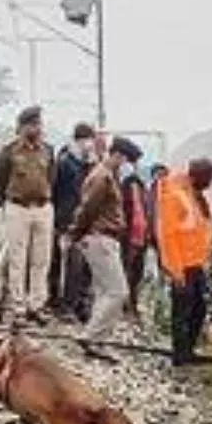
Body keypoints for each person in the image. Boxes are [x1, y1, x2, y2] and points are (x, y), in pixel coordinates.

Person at [68, 136, 144, 361]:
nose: (127, 166)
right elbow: (87, 209)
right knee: (118, 292)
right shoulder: (102, 177)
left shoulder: (107, 175)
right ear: (117, 155)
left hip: (102, 238)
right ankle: (91, 336)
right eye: (126, 160)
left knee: (104, 293)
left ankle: (98, 341)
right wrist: (75, 233)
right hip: (100, 238)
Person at [0, 106, 56, 325]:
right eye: (32, 124)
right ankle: (18, 305)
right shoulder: (9, 151)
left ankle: (36, 304)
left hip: (43, 208)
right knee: (18, 259)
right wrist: (8, 204)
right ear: (21, 127)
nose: (37, 129)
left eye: (39, 124)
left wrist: (45, 198)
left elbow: (52, 178)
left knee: (41, 259)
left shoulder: (48, 150)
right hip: (18, 207)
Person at [153, 157, 212, 365]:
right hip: (182, 265)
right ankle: (180, 355)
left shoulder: (193, 194)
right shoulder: (175, 195)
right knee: (182, 312)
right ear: (199, 176)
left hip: (196, 263)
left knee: (199, 308)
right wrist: (176, 270)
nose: (210, 184)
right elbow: (168, 236)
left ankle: (188, 350)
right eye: (209, 179)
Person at [53, 123, 98, 319]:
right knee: (73, 264)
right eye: (87, 140)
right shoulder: (65, 163)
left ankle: (82, 305)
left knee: (87, 265)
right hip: (69, 220)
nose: (90, 145)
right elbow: (56, 192)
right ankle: (67, 305)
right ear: (79, 140)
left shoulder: (91, 163)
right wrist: (60, 223)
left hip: (87, 222)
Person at [119, 154, 151, 317]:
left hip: (141, 237)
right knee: (126, 271)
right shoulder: (122, 188)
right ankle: (124, 307)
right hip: (128, 237)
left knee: (137, 274)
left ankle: (133, 303)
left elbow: (145, 212)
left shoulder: (142, 187)